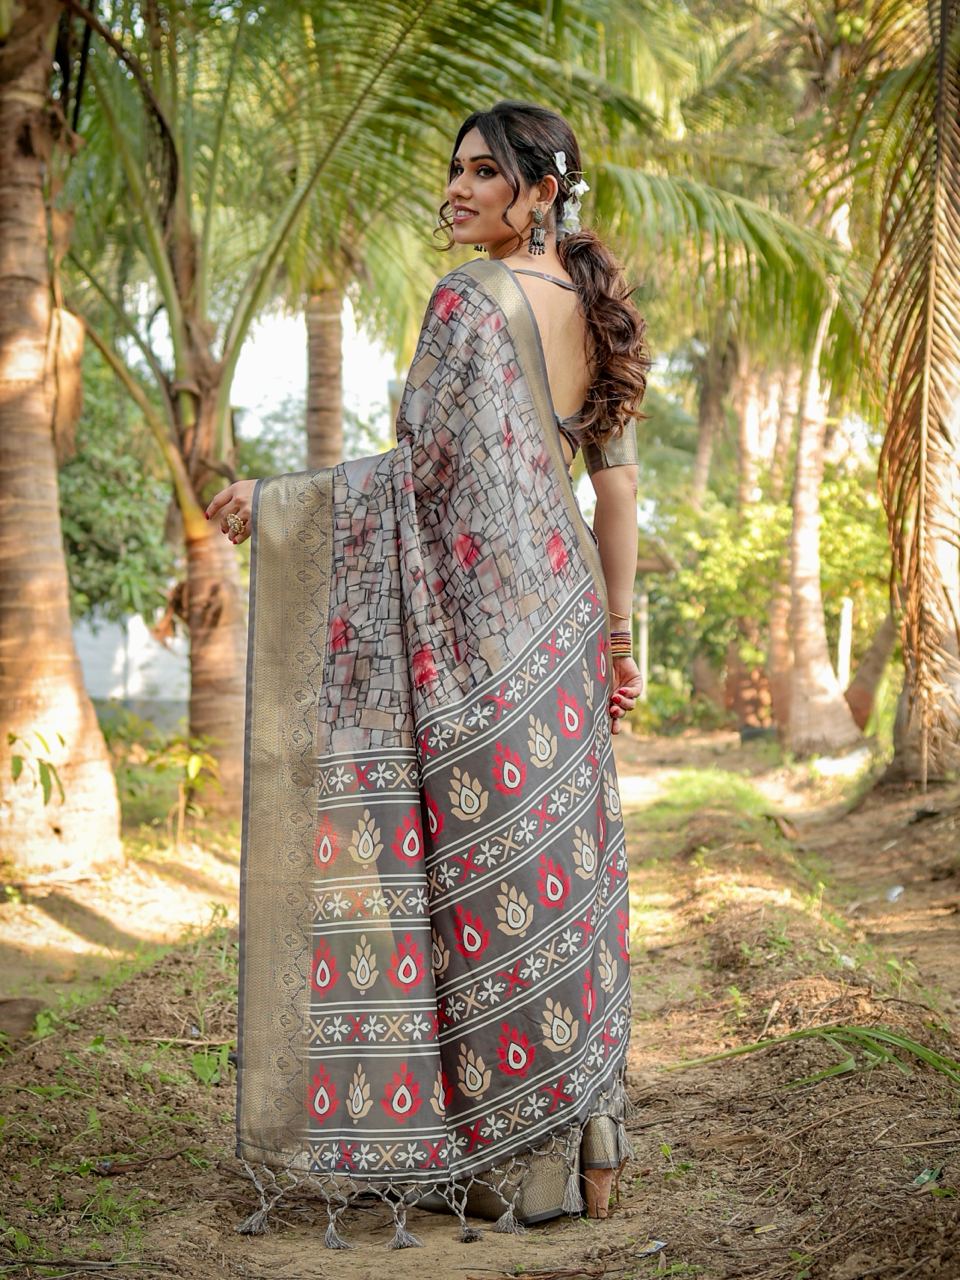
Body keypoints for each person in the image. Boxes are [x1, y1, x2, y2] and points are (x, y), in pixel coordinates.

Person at [206, 100, 650, 1251]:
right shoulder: (594, 313)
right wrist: (615, 636)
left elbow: (424, 470)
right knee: (558, 879)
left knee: (485, 893)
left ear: (539, 192)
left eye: (480, 174)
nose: (453, 190)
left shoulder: (471, 300)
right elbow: (615, 490)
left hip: (478, 635)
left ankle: (521, 1162)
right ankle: (585, 1158)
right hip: (559, 624)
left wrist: (283, 503)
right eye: (451, 169)